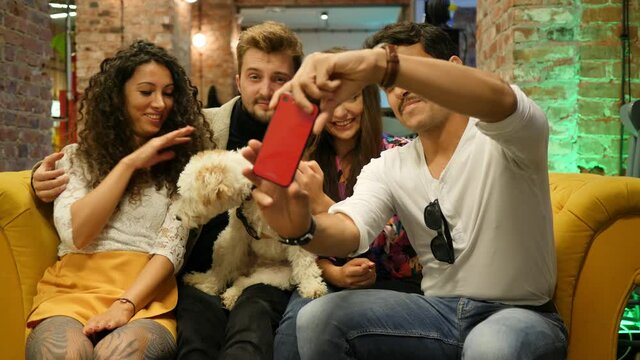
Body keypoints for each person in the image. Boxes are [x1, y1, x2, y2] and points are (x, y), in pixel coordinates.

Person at [241, 22, 568, 360]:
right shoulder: (390, 163)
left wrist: (383, 65)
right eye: (391, 85)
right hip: (437, 313)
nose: (401, 90)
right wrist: (301, 229)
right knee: (316, 318)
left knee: (492, 345)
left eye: (411, 77)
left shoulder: (508, 137)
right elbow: (350, 230)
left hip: (519, 315)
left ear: (453, 69)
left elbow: (500, 97)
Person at [31, 21, 304, 360]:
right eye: (254, 76)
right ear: (238, 81)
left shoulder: (309, 135)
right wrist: (36, 178)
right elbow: (76, 209)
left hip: (255, 270)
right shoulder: (203, 130)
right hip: (188, 272)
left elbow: (171, 243)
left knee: (247, 335)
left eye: (279, 78)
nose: (266, 89)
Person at [25, 40, 214, 359]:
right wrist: (130, 164)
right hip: (71, 292)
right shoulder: (76, 159)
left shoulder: (184, 168)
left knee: (118, 355)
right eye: (146, 91)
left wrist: (126, 305)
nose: (160, 103)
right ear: (118, 96)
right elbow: (78, 235)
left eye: (168, 93)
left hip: (144, 297)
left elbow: (170, 251)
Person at [274, 76, 423, 359]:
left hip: (395, 280)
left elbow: (393, 240)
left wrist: (321, 201)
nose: (341, 113)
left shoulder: (398, 152)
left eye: (351, 98)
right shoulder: (305, 160)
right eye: (330, 102)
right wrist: (334, 273)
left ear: (366, 100)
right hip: (326, 277)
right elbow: (293, 238)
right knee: (294, 324)